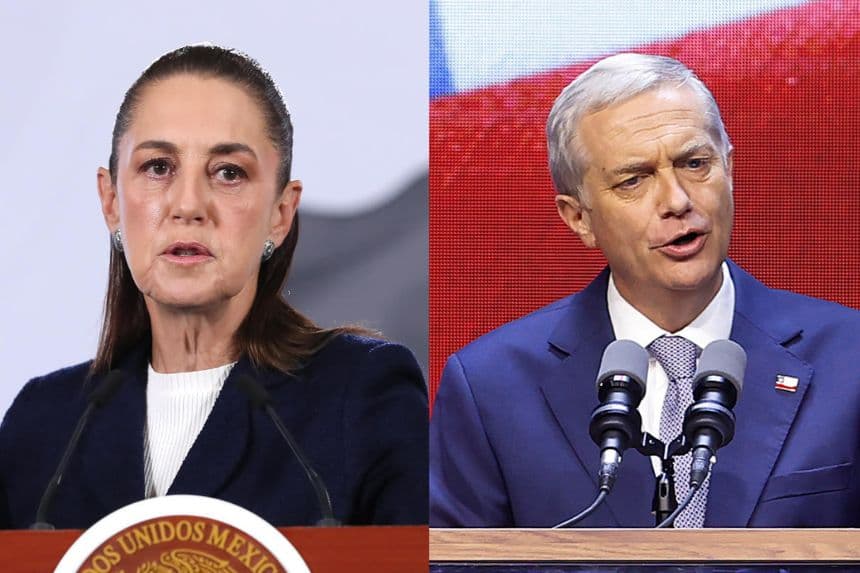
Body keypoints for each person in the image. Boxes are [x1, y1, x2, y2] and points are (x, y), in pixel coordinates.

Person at [0, 45, 428, 529]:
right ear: (111, 200)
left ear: (280, 214)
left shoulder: (362, 396)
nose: (188, 205)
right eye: (158, 167)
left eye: (229, 173)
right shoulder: (44, 424)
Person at [429, 53, 860, 528]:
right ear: (578, 217)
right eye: (634, 180)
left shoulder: (849, 358)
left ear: (729, 170)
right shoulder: (492, 388)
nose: (677, 201)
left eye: (695, 164)